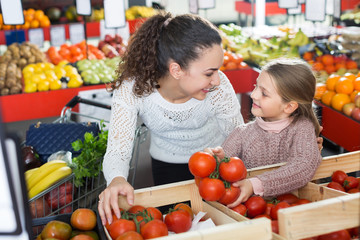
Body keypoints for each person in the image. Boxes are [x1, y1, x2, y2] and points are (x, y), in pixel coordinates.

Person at [97, 12, 244, 226]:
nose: (217, 80)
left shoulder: (218, 88)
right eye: (209, 73)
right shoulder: (132, 88)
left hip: (215, 168)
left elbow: (237, 135)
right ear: (176, 69)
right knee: (175, 226)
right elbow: (118, 148)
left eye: (218, 70)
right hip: (165, 164)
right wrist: (117, 179)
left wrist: (229, 160)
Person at [205, 58, 323, 208]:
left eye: (264, 93)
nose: (254, 95)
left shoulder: (302, 128)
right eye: (256, 87)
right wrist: (219, 159)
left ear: (289, 106)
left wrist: (255, 184)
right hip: (252, 212)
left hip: (292, 208)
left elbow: (303, 165)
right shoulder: (242, 133)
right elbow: (224, 169)